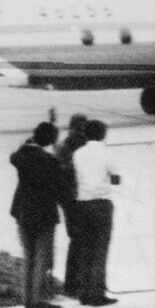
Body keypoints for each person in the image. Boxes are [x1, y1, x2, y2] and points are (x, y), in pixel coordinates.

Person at [9, 121, 74, 308]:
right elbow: (61, 189)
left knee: (29, 256)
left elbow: (14, 156)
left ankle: (28, 297)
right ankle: (37, 300)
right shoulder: (49, 161)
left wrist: (29, 143)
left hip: (22, 210)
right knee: (41, 257)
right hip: (43, 212)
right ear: (50, 140)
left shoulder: (22, 156)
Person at [71, 119, 121, 307]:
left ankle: (84, 292)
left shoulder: (78, 154)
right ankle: (97, 292)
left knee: (85, 248)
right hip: (101, 202)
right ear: (102, 134)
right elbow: (115, 178)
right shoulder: (107, 153)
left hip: (82, 203)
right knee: (100, 249)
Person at [55, 113, 89, 298]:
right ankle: (72, 284)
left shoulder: (84, 146)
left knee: (82, 240)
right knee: (77, 239)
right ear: (72, 129)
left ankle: (80, 281)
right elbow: (59, 173)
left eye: (84, 130)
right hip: (71, 199)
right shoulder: (65, 148)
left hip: (83, 197)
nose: (82, 133)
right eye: (79, 129)